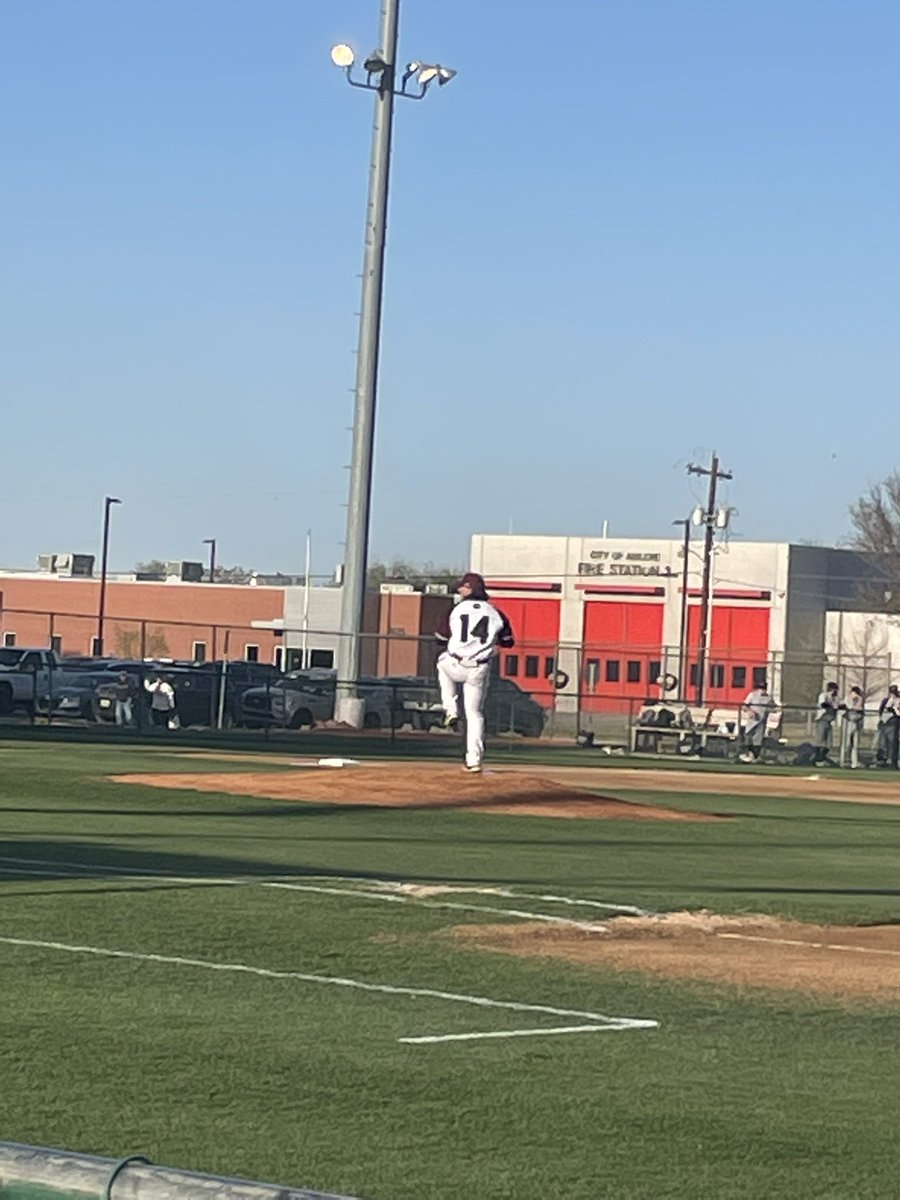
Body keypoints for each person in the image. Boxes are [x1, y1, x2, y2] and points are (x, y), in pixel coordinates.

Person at [435, 572, 515, 773]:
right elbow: (508, 642)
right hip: (479, 668)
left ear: (469, 589)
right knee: (475, 714)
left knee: (441, 663)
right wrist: (493, 646)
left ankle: (450, 709)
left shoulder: (456, 609)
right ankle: (474, 761)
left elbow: (440, 638)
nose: (459, 589)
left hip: (455, 662)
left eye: (462, 587)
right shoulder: (495, 612)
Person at [739, 679, 776, 763]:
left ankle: (754, 757)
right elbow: (744, 706)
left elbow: (773, 708)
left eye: (764, 688)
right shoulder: (752, 695)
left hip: (761, 721)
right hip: (752, 721)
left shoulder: (768, 698)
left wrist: (770, 710)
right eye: (760, 688)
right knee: (748, 737)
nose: (762, 690)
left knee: (757, 740)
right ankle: (748, 755)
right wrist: (750, 711)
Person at [812, 681, 841, 765]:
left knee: (828, 743)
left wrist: (836, 705)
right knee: (820, 741)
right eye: (834, 689)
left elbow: (841, 705)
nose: (835, 691)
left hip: (830, 721)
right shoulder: (824, 695)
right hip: (822, 720)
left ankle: (822, 758)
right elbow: (823, 704)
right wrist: (831, 704)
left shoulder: (836, 698)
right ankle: (817, 759)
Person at [840, 685, 864, 769]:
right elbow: (844, 710)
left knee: (855, 745)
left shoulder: (860, 699)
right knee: (846, 744)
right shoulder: (847, 698)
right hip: (848, 722)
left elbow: (861, 711)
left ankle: (854, 763)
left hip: (856, 723)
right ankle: (844, 761)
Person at [876, 685, 900, 768]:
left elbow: (897, 712)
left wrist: (894, 710)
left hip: (893, 721)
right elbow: (881, 710)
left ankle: (893, 762)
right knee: (883, 743)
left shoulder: (897, 700)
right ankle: (883, 761)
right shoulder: (886, 700)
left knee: (893, 743)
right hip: (885, 722)